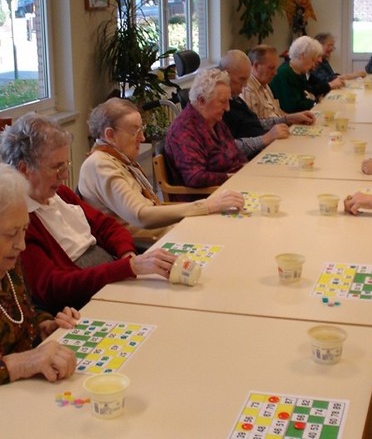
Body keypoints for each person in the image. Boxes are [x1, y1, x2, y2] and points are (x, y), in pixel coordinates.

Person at [0, 113, 176, 313]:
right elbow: (52, 286)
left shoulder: (60, 194)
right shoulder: (19, 222)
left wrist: (126, 253)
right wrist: (127, 267)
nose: (65, 175)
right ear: (24, 169)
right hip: (87, 302)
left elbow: (107, 226)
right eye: (57, 167)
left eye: (65, 165)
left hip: (114, 279)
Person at [78, 98, 244, 240]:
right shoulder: (99, 164)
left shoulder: (118, 159)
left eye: (141, 130)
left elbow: (150, 207)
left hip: (162, 232)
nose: (142, 137)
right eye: (135, 131)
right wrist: (205, 206)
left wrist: (204, 208)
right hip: (148, 243)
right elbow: (141, 215)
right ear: (110, 135)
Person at [0, 163, 77, 385]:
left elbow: (23, 313)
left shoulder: (10, 263)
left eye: (24, 230)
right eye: (11, 234)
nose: (22, 245)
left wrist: (45, 326)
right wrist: (19, 364)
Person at [165, 68, 247, 191]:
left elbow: (238, 156)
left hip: (232, 186)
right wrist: (230, 177)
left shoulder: (215, 122)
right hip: (209, 196)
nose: (227, 108)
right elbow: (195, 177)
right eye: (222, 102)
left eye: (228, 101)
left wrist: (248, 170)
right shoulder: (183, 130)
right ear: (201, 100)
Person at [219, 50, 291, 159]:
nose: (245, 85)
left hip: (264, 149)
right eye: (242, 79)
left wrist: (287, 119)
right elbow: (226, 147)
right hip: (251, 158)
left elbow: (254, 123)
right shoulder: (219, 106)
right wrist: (265, 138)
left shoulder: (235, 98)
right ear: (226, 74)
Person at [242, 44, 316, 126]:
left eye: (275, 68)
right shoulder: (248, 90)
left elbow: (277, 113)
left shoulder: (264, 84)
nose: (275, 73)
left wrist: (295, 117)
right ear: (256, 66)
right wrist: (289, 119)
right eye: (271, 68)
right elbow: (254, 126)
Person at [269, 36, 321, 113]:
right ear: (302, 56)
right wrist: (315, 104)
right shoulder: (284, 73)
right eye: (313, 59)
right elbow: (291, 107)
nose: (313, 64)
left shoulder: (300, 72)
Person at [308, 33, 366, 97]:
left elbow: (332, 76)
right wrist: (354, 75)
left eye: (332, 46)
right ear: (319, 45)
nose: (332, 49)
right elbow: (328, 79)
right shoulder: (315, 62)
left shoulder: (323, 61)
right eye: (329, 45)